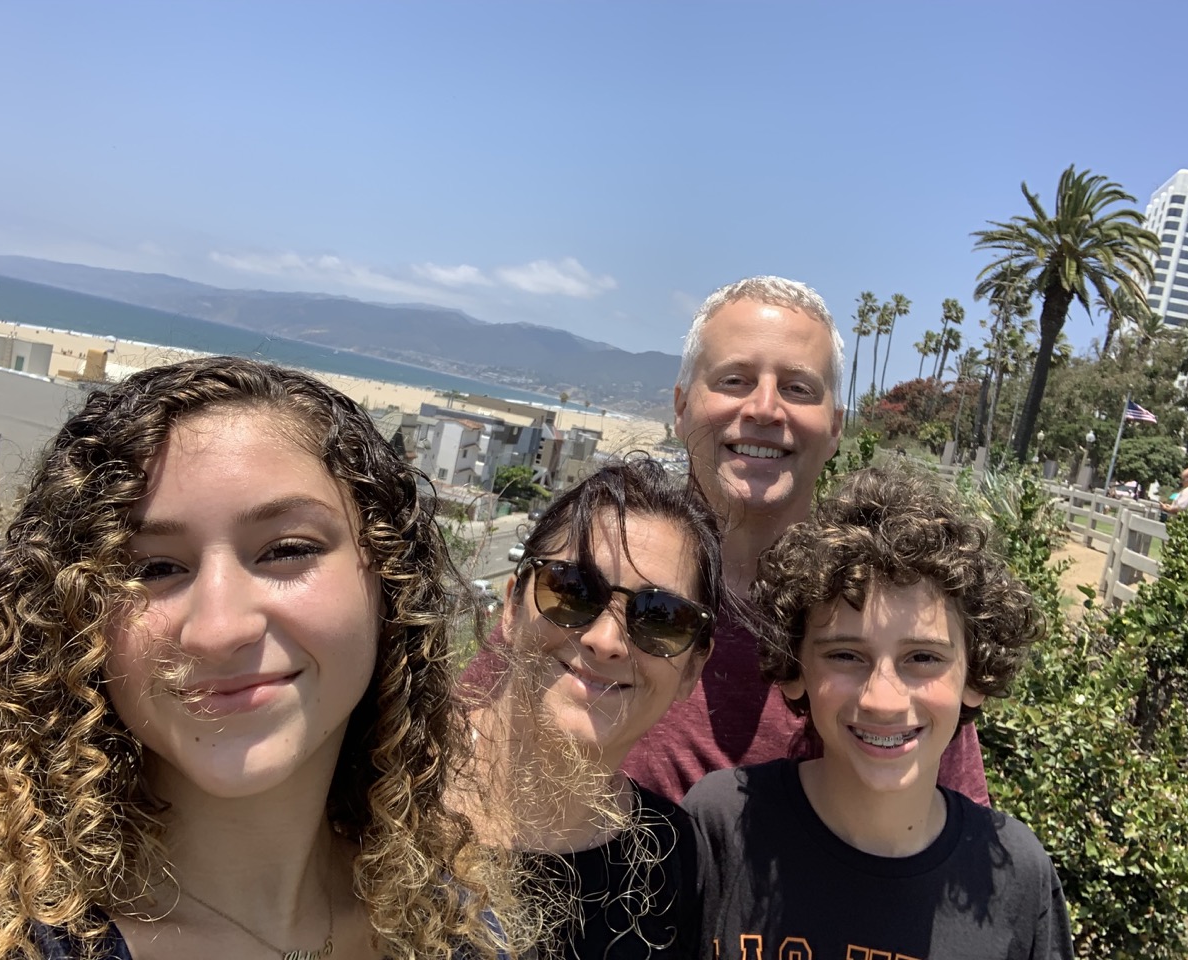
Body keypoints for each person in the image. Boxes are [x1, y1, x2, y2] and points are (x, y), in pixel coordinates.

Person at [0, 357, 516, 960]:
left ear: (390, 581)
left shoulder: (460, 936)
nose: (219, 629)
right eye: (154, 568)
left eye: (285, 551)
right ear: (73, 613)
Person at [622, 276, 989, 804]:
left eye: (798, 389)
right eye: (733, 380)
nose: (765, 409)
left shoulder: (888, 611)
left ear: (835, 426)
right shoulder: (600, 576)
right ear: (680, 408)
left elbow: (950, 839)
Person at [684, 467, 1073, 959]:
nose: (882, 700)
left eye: (923, 658)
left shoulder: (1017, 875)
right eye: (846, 655)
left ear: (975, 676)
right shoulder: (723, 822)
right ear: (793, 668)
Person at [457, 458, 722, 960]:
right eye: (573, 588)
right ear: (512, 607)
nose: (605, 641)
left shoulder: (675, 860)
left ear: (693, 670)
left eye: (661, 617)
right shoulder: (385, 783)